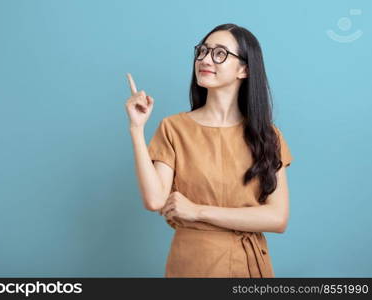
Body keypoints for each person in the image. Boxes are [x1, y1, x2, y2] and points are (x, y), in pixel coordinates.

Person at [125, 23, 293, 278]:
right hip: (193, 264)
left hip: (248, 267)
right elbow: (155, 200)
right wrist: (137, 130)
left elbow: (277, 218)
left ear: (244, 69)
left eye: (220, 53)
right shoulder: (174, 127)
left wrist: (197, 211)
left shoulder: (267, 136)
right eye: (202, 51)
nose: (205, 59)